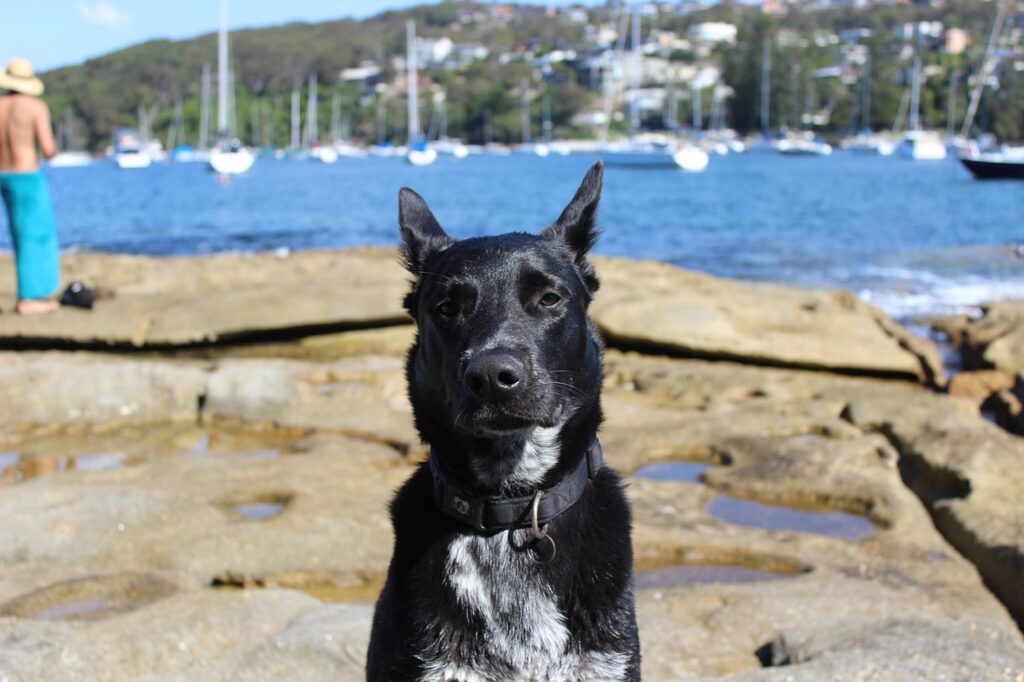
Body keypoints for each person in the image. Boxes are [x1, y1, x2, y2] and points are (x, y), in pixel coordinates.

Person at [0, 57, 60, 315]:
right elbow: (49, 150)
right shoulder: (35, 107)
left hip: (2, 174)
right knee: (36, 235)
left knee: (16, 233)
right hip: (26, 174)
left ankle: (29, 295)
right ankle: (30, 298)